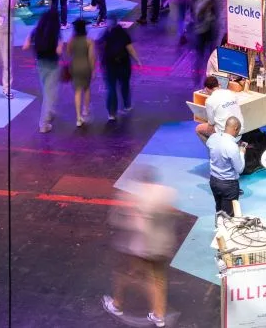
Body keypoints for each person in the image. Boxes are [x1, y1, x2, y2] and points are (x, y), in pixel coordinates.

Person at [102, 165, 176, 328]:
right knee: (159, 278)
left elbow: (115, 219)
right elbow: (172, 215)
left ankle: (117, 304)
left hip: (141, 246)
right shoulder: (167, 192)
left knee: (127, 274)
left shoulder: (131, 195)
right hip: (163, 245)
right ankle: (159, 315)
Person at [24, 9, 64, 134]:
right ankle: (44, 124)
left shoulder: (37, 30)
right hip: (52, 65)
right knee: (50, 93)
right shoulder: (57, 33)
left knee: (46, 90)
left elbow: (25, 46)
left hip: (40, 63)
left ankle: (50, 111)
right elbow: (59, 51)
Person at [101, 22, 141, 122]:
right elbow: (130, 49)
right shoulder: (124, 34)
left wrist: (102, 62)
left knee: (111, 89)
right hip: (123, 64)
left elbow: (102, 49)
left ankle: (111, 113)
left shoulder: (106, 34)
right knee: (125, 85)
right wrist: (137, 61)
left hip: (110, 65)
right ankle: (127, 105)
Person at [207, 116, 245, 216]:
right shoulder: (232, 146)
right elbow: (240, 169)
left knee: (219, 211)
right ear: (236, 128)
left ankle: (219, 229)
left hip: (214, 181)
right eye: (239, 130)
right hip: (228, 185)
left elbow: (208, 145)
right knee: (228, 217)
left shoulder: (213, 137)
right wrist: (241, 153)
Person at [67, 19, 96, 127]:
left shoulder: (71, 40)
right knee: (87, 89)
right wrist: (93, 70)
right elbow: (91, 57)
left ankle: (78, 118)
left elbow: (69, 53)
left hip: (75, 67)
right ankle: (86, 110)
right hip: (85, 67)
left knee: (77, 91)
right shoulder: (89, 41)